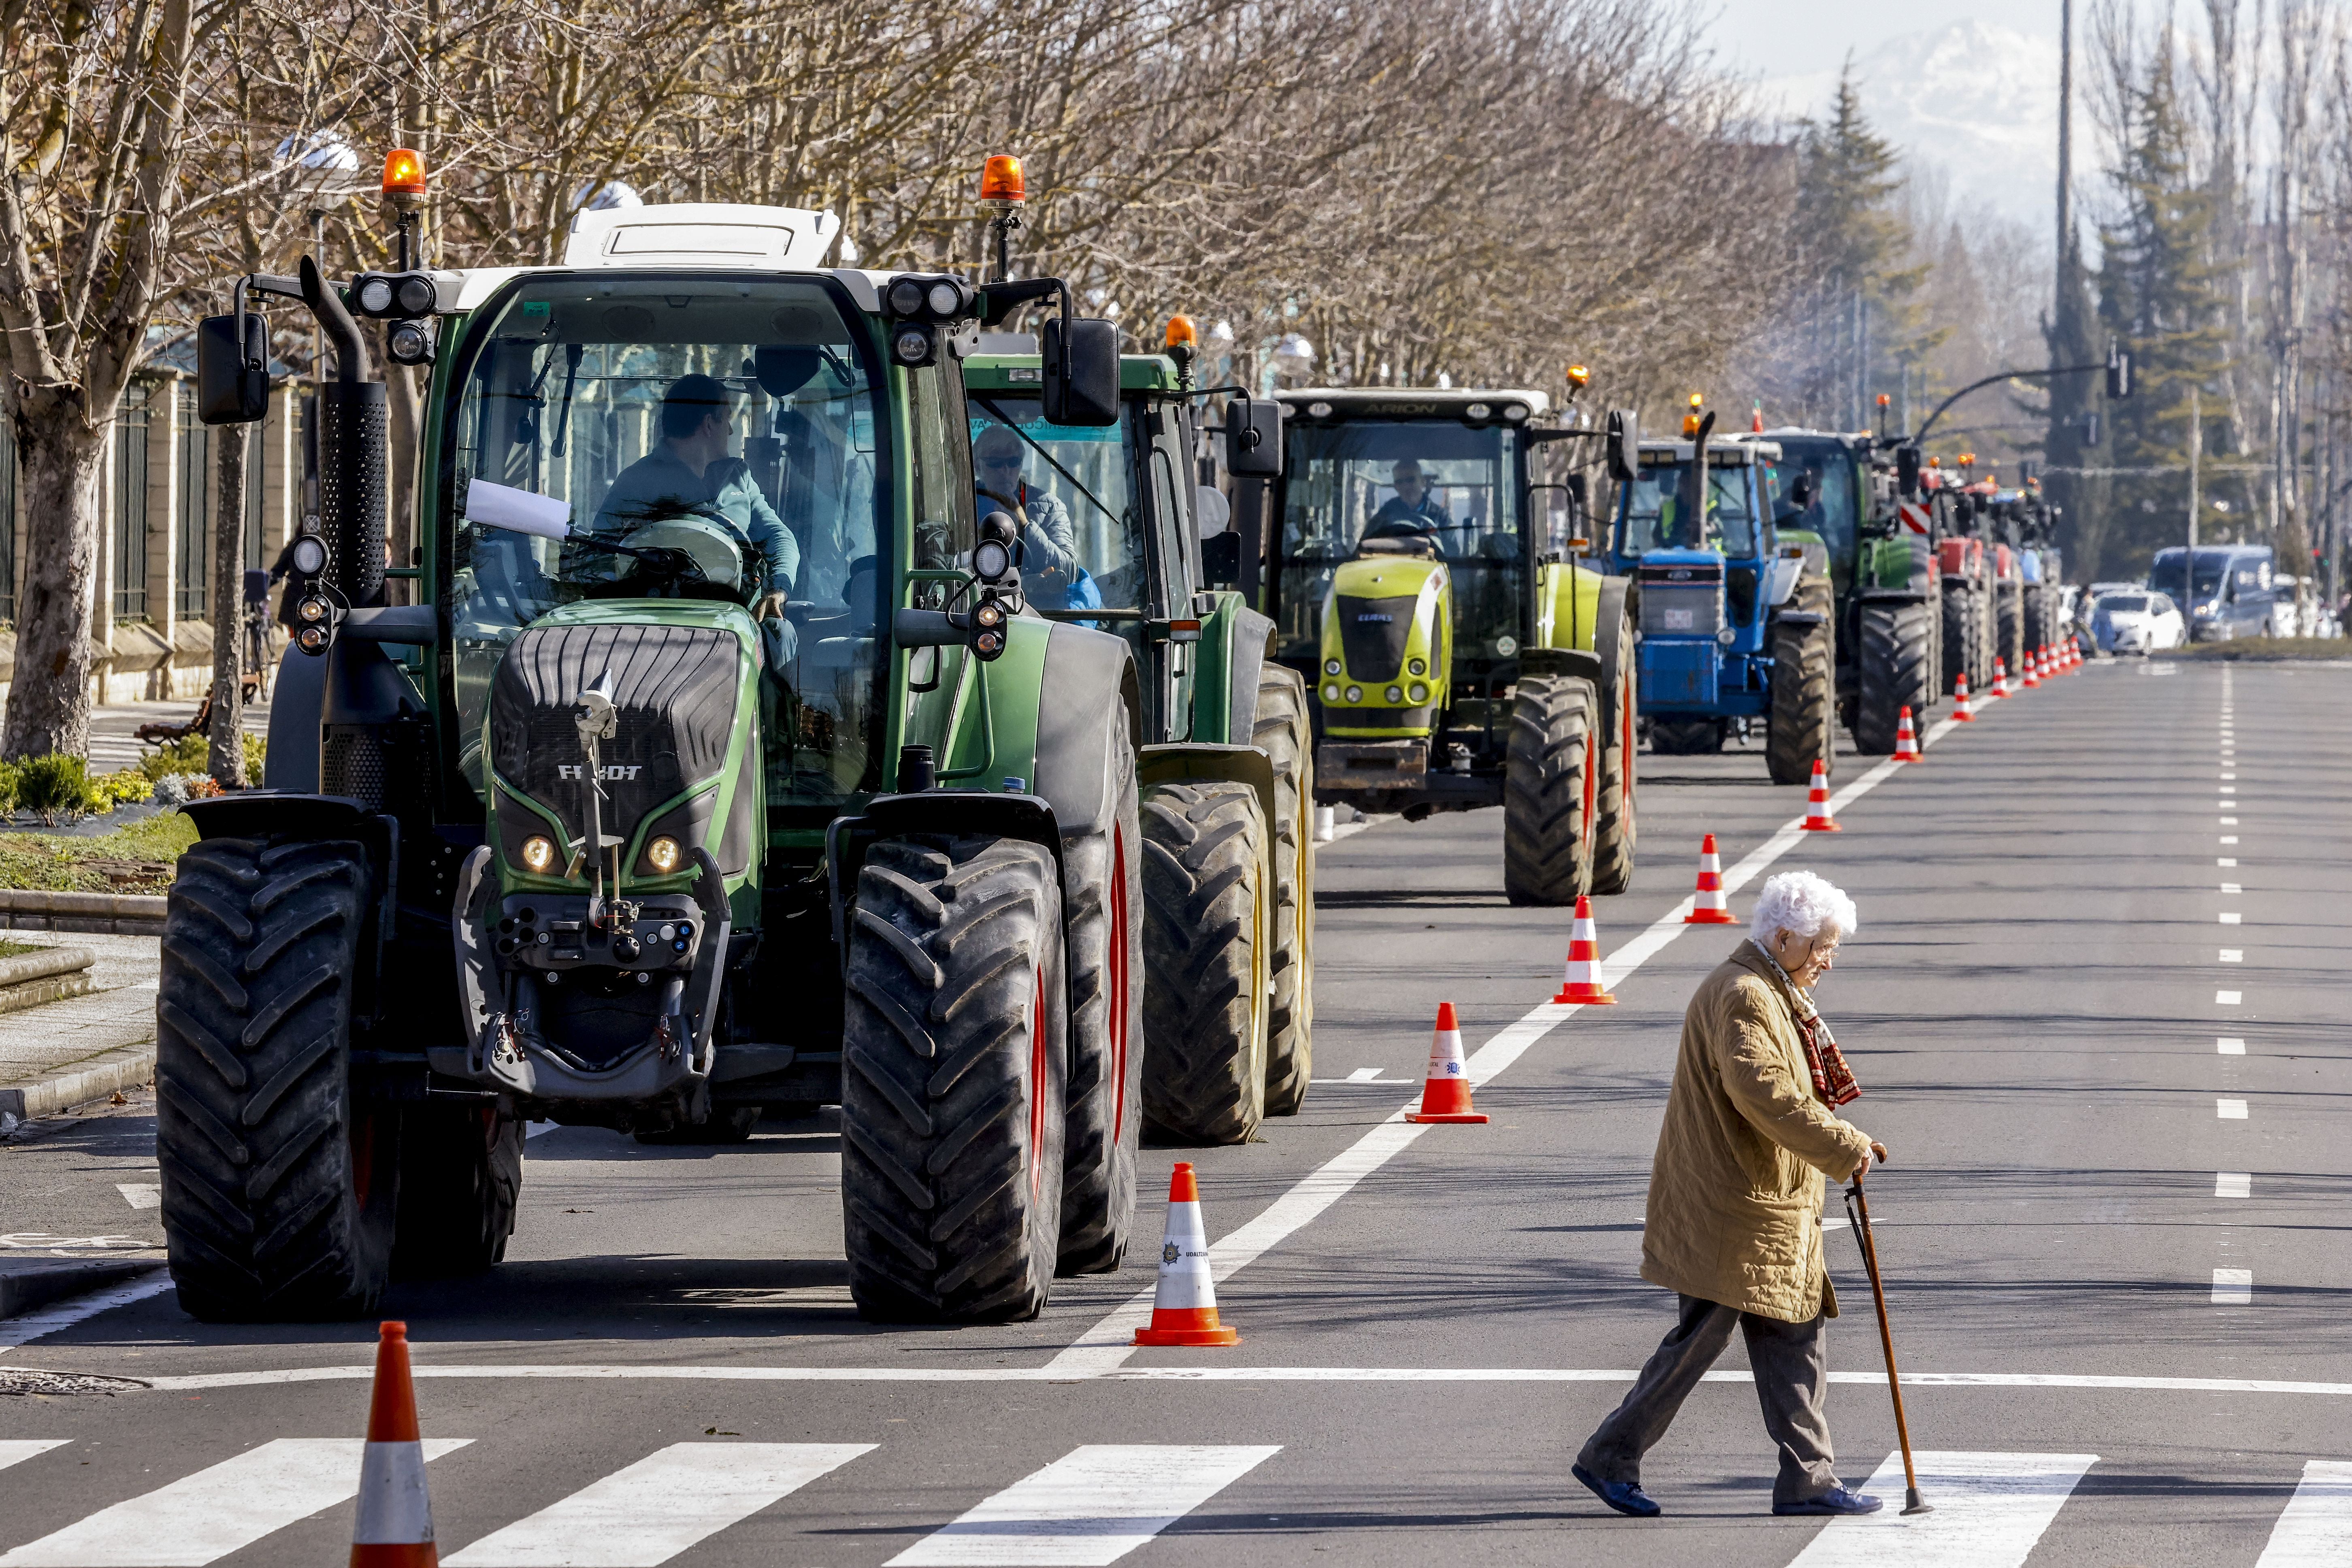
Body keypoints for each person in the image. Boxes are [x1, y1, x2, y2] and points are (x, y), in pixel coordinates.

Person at [1574, 870, 1887, 1520]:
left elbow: (1783, 1095)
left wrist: (1840, 1138)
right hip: (1734, 1210)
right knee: (1701, 1343)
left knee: (1794, 1336)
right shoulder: (1746, 995)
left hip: (1760, 1209)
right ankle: (1612, 1453)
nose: (1828, 960)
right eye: (1823, 946)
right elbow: (1765, 1093)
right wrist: (1841, 1144)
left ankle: (1808, 1477)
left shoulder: (1769, 990)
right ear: (1784, 937)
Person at [590, 373, 798, 613]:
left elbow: (778, 536)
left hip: (736, 616)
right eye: (727, 420)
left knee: (780, 633)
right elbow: (600, 553)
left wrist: (778, 589)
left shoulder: (739, 479)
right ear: (709, 424)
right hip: (652, 616)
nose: (730, 431)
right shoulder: (636, 483)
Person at [972, 422, 1081, 590]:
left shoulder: (1048, 507)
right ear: (978, 466)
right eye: (995, 463)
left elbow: (1069, 571)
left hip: (1035, 607)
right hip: (969, 601)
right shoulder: (962, 504)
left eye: (1014, 462)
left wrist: (1025, 525)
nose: (1005, 471)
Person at [1364, 459, 1451, 537]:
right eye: (1399, 482)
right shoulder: (1386, 513)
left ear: (1423, 482)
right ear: (1396, 487)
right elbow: (1366, 543)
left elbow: (1452, 551)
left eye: (1411, 480)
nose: (1406, 486)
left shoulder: (1440, 517)